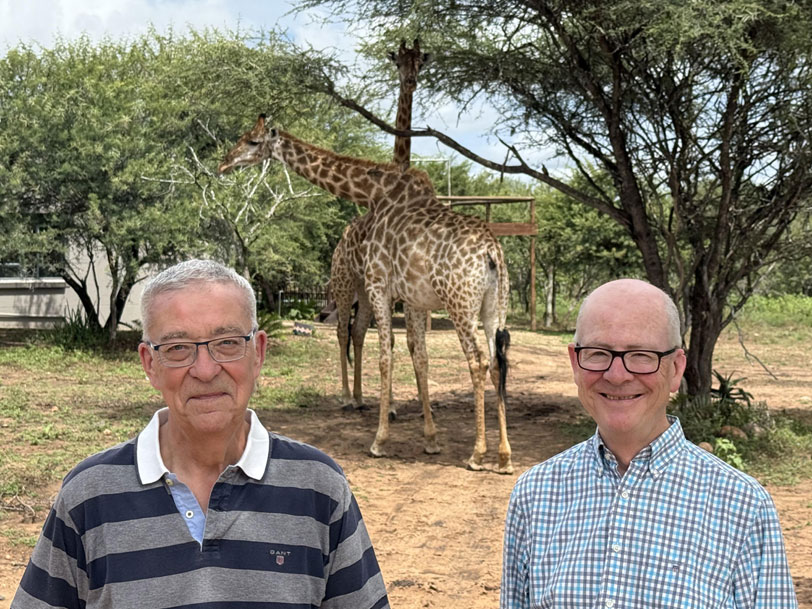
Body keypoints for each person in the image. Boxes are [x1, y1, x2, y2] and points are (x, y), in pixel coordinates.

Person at [13, 259, 390, 609]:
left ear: (258, 353)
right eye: (178, 348)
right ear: (150, 363)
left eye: (227, 343)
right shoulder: (88, 496)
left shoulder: (319, 488)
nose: (206, 370)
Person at [501, 278, 797, 609]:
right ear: (575, 362)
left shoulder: (744, 506)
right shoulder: (535, 494)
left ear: (676, 369)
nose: (617, 375)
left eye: (641, 355)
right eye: (598, 353)